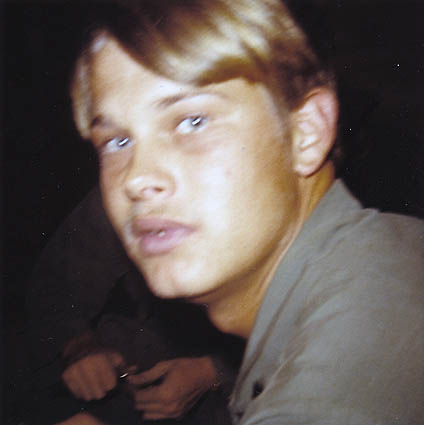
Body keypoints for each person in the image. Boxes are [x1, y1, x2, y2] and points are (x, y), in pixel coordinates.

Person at [69, 0, 424, 423]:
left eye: (193, 121)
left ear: (306, 133)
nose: (136, 178)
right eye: (117, 142)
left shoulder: (359, 350)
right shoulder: (369, 262)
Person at [20, 186, 243, 425]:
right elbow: (57, 287)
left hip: (244, 388)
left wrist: (213, 372)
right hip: (127, 377)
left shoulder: (256, 199)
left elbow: (275, 334)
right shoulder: (124, 189)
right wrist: (80, 345)